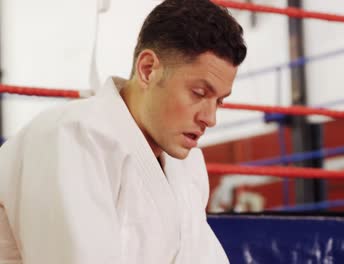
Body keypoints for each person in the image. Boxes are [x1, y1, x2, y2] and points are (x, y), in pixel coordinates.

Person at [0, 0, 247, 262]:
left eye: (219, 101)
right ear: (148, 70)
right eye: (199, 93)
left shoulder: (188, 167)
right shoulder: (71, 137)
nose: (210, 118)